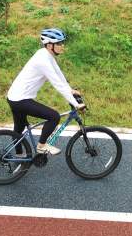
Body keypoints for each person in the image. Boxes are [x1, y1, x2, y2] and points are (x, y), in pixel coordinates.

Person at [6, 28, 86, 156]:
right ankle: (42, 146)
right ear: (49, 45)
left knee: (19, 129)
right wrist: (75, 104)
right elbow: (57, 83)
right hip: (20, 100)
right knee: (54, 116)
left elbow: (59, 75)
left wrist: (70, 90)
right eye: (59, 43)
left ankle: (19, 156)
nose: (62, 46)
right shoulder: (43, 60)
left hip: (14, 97)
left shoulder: (45, 54)